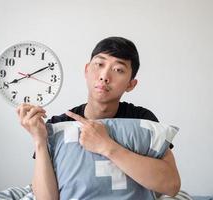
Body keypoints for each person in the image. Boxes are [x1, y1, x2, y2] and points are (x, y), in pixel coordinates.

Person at [17, 36, 181, 200]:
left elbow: (171, 186)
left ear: (131, 84)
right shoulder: (58, 125)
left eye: (118, 70)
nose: (104, 76)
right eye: (99, 64)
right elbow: (47, 199)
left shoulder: (143, 120)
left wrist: (106, 146)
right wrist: (39, 141)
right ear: (87, 70)